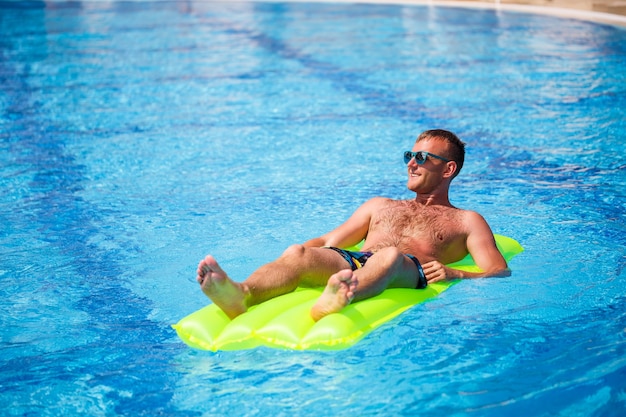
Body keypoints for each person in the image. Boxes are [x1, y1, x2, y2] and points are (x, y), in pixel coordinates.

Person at [197, 129, 509, 321]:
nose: (411, 163)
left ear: (448, 169)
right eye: (409, 155)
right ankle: (242, 294)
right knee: (299, 252)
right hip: (357, 260)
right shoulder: (380, 205)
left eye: (423, 157)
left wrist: (456, 273)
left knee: (389, 257)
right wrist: (290, 260)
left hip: (408, 269)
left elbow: (499, 270)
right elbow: (330, 239)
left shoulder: (467, 220)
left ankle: (341, 295)